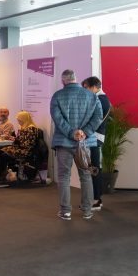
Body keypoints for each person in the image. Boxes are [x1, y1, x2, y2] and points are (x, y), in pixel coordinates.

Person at [50, 69, 103, 221]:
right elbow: (98, 117)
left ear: (63, 81)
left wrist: (72, 133)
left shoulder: (57, 96)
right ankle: (87, 210)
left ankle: (66, 211)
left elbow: (57, 119)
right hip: (85, 143)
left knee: (64, 177)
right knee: (86, 176)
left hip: (64, 142)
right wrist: (84, 132)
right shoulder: (92, 96)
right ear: (76, 79)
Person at [82, 76, 112, 211]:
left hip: (95, 137)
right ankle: (92, 199)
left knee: (94, 168)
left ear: (94, 87)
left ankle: (97, 200)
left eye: (86, 88)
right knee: (92, 167)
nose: (85, 91)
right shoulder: (99, 98)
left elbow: (95, 120)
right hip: (93, 136)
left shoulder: (101, 100)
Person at [0, 111, 43, 181]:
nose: (18, 122)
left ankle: (0, 175)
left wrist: (16, 140)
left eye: (19, 120)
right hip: (22, 149)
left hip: (25, 151)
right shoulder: (25, 127)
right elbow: (22, 140)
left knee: (2, 154)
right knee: (1, 152)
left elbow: (26, 144)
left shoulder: (31, 129)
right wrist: (14, 138)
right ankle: (1, 174)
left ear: (24, 119)